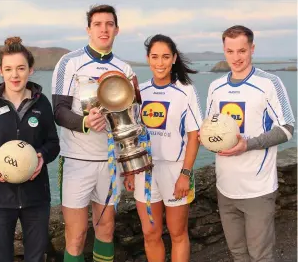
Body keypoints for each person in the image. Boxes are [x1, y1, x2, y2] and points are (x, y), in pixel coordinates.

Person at [51, 4, 138, 262]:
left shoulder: (125, 69)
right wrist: (85, 122)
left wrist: (130, 165)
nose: (104, 29)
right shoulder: (69, 63)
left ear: (117, 29)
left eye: (109, 24)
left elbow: (132, 120)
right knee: (76, 236)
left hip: (110, 164)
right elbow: (58, 111)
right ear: (88, 30)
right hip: (78, 161)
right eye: (98, 24)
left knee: (106, 230)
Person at [205, 25, 295, 262]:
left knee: (260, 255)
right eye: (230, 51)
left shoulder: (270, 83)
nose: (236, 57)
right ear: (224, 50)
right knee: (238, 253)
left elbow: (287, 129)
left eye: (242, 50)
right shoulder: (215, 88)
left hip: (258, 188)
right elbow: (209, 129)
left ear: (252, 49)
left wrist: (249, 144)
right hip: (225, 187)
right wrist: (209, 142)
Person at [0, 37, 60, 262]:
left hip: (36, 198)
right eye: (8, 69)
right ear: (0, 71)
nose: (14, 75)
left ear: (31, 69)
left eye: (20, 68)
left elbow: (53, 144)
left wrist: (41, 157)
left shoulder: (41, 104)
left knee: (36, 258)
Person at [124, 34, 203, 262]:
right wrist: (129, 169)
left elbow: (193, 135)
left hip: (175, 170)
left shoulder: (185, 91)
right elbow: (131, 134)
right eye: (155, 57)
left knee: (178, 233)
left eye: (166, 57)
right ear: (148, 59)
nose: (160, 63)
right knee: (150, 234)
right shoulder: (139, 93)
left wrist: (185, 174)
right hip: (144, 171)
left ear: (174, 59)